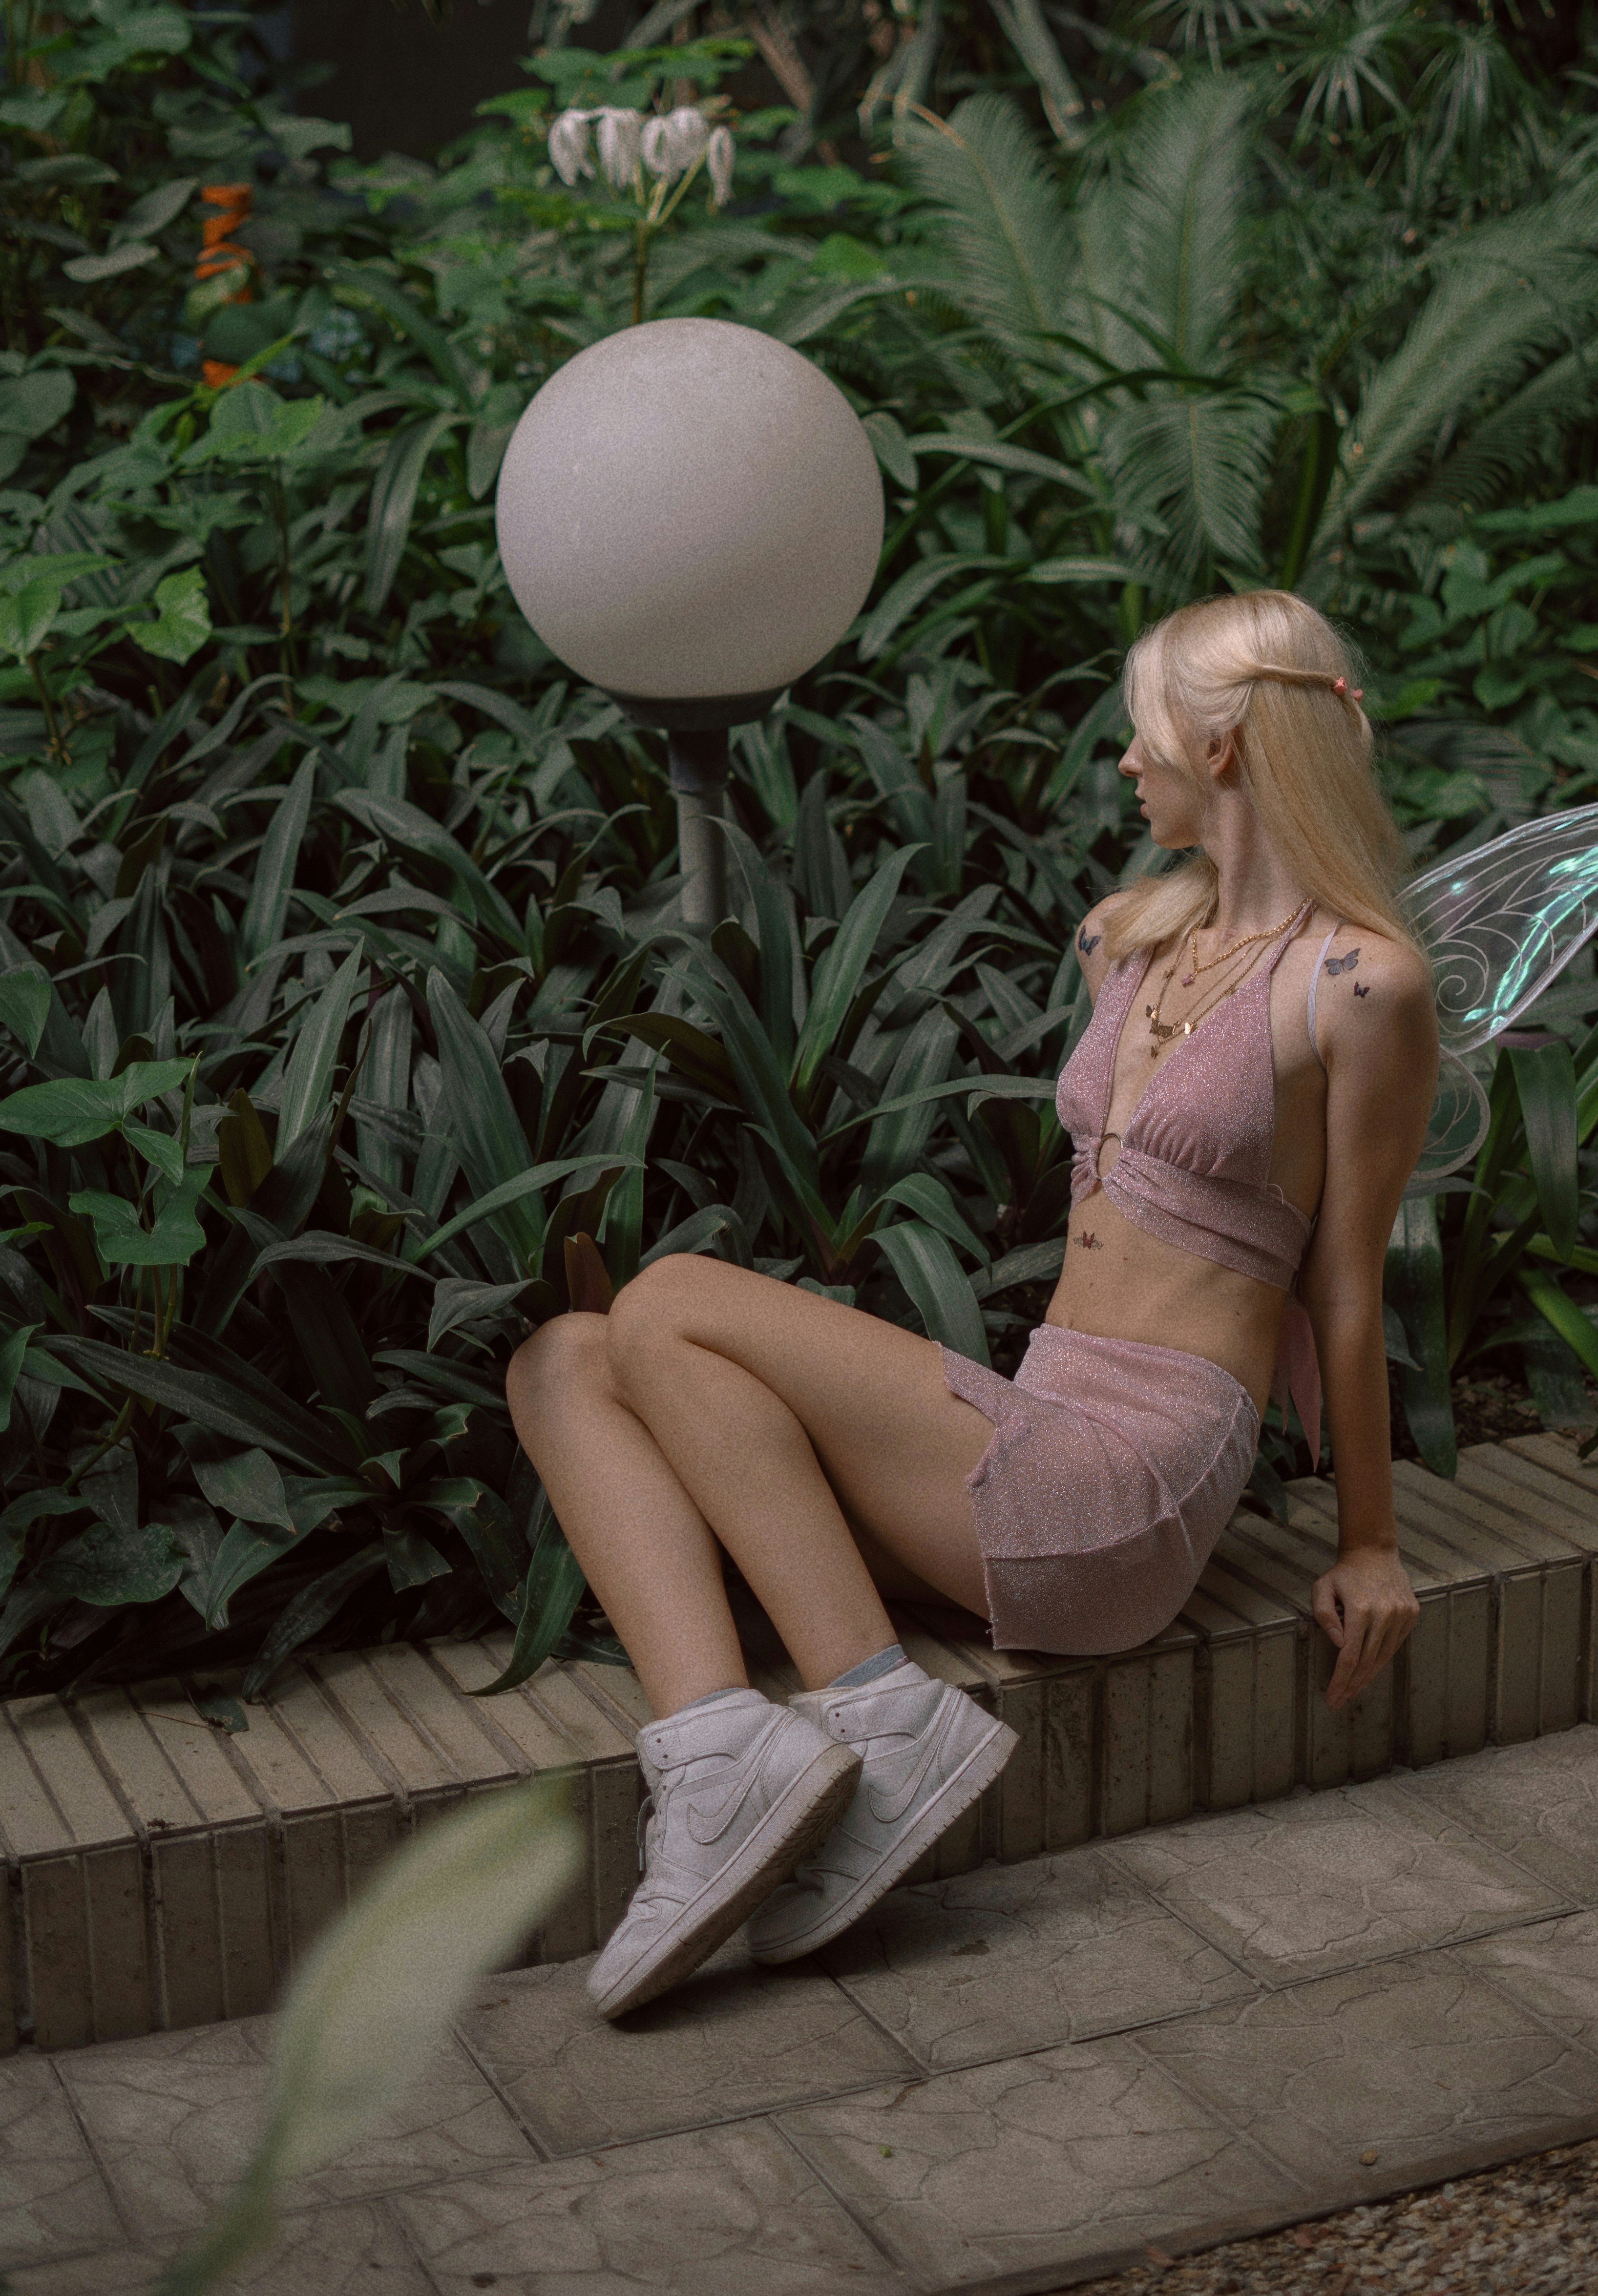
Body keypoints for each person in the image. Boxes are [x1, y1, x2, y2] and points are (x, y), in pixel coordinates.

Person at [506, 587, 1437, 2019]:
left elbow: (1351, 1286)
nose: (1128, 765)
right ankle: (714, 1754)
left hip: (1132, 1479)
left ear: (1231, 745)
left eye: (1145, 736)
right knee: (567, 1359)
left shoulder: (1362, 985)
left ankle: (883, 1719)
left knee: (674, 1298)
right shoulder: (1130, 939)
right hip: (1034, 1419)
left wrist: (1369, 1543)